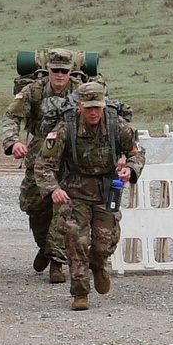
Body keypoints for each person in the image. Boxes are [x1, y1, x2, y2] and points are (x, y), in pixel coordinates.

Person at [32, 81, 145, 311]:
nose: (93, 112)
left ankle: (98, 264)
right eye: (88, 107)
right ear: (79, 106)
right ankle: (80, 292)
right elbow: (43, 164)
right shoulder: (66, 129)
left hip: (106, 190)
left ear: (103, 106)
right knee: (76, 241)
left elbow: (136, 153)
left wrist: (130, 169)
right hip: (75, 191)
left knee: (106, 242)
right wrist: (54, 189)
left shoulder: (117, 126)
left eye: (97, 107)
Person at [1, 48, 86, 283]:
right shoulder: (34, 91)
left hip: (70, 158)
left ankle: (57, 262)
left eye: (64, 71)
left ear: (71, 72)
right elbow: (11, 116)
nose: (59, 75)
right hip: (38, 155)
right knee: (34, 206)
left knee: (64, 208)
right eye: (55, 71)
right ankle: (45, 247)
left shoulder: (81, 93)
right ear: (47, 70)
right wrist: (13, 142)